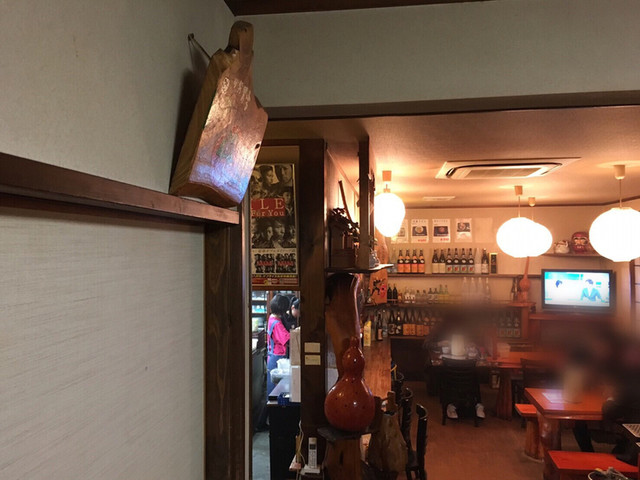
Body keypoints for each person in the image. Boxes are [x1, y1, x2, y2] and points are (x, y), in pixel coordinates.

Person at [266, 294, 291, 396]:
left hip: (272, 356)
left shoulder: (272, 318)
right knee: (275, 392)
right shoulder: (277, 324)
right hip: (277, 358)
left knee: (273, 389)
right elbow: (287, 339)